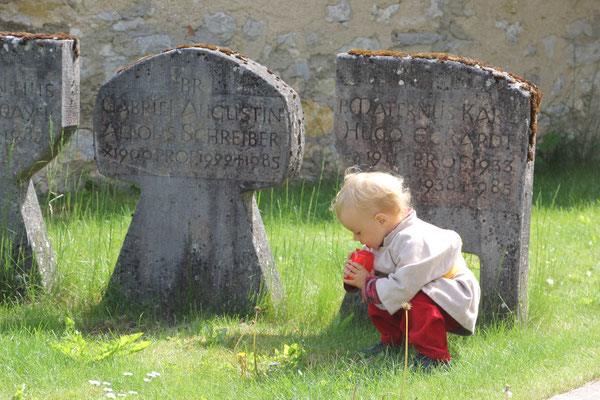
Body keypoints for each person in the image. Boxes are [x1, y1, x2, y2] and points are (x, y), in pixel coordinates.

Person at [333, 169, 480, 371]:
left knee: (414, 303)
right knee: (377, 295)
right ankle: (395, 341)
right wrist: (359, 278)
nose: (356, 239)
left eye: (358, 232)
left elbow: (404, 288)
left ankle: (435, 356)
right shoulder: (385, 236)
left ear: (381, 220)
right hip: (421, 290)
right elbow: (388, 286)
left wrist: (367, 282)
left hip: (452, 296)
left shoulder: (412, 240)